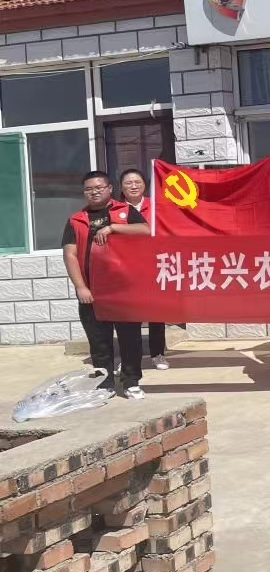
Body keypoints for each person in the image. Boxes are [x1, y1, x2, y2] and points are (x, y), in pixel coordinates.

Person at [63, 171, 150, 399]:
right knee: (99, 342)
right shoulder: (76, 220)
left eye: (99, 187)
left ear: (110, 188)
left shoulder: (125, 211)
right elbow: (70, 255)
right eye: (89, 189)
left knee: (130, 340)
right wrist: (81, 287)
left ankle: (131, 382)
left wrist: (113, 228)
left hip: (124, 290)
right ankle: (105, 385)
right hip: (92, 291)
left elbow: (146, 230)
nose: (94, 192)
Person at [116, 168, 170, 371]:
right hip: (126, 268)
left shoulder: (156, 206)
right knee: (130, 316)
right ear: (121, 187)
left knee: (156, 312)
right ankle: (129, 358)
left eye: (137, 182)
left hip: (154, 265)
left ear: (145, 185)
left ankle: (158, 354)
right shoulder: (115, 209)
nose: (133, 186)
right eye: (128, 183)